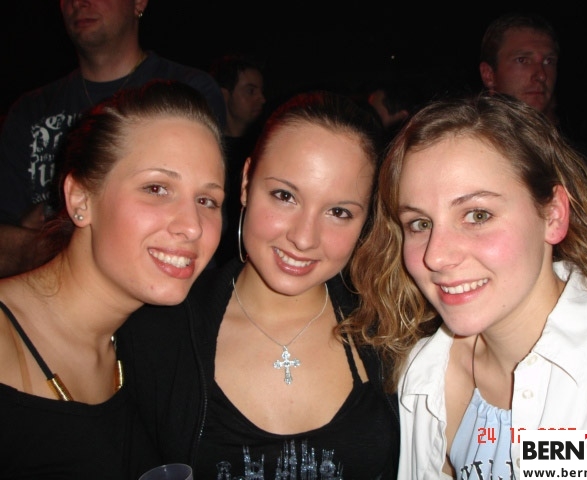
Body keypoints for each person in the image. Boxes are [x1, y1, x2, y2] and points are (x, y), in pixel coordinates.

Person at [344, 93, 587, 479]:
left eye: (477, 215)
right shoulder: (424, 374)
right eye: (420, 223)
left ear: (553, 216)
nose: (436, 256)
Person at [118, 90, 400, 479]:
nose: (304, 238)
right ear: (247, 181)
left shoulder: (389, 334)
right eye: (285, 196)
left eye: (338, 212)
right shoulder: (155, 329)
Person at [0, 80, 226, 479]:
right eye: (157, 188)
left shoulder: (149, 343)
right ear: (80, 199)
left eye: (206, 200)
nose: (193, 226)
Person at [0, 0, 226, 278]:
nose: (79, 3)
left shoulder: (187, 92)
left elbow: (204, 220)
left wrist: (55, 235)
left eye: (155, 188)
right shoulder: (30, 110)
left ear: (138, 3)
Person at [209, 53, 267, 267]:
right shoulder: (208, 148)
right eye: (250, 91)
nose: (261, 99)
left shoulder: (264, 148)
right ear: (224, 95)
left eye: (261, 91)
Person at [479, 12, 559, 123]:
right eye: (522, 60)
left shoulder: (558, 133)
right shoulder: (466, 131)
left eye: (548, 61)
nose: (541, 75)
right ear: (489, 75)